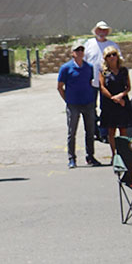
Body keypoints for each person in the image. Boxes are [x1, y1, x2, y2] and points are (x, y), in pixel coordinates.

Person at [57, 42, 101, 170]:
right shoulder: (66, 68)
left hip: (88, 103)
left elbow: (91, 82)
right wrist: (67, 100)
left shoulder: (89, 67)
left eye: (82, 50)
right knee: (72, 132)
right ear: (72, 53)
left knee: (90, 131)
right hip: (73, 105)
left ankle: (90, 156)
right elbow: (60, 87)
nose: (80, 52)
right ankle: (71, 158)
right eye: (77, 50)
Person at [98, 46, 132, 162]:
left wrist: (120, 96)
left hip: (122, 102)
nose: (112, 57)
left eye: (113, 54)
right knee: (111, 130)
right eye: (108, 56)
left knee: (123, 129)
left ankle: (124, 153)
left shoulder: (124, 70)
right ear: (105, 58)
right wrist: (113, 98)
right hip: (110, 103)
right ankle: (114, 154)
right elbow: (102, 87)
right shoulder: (103, 72)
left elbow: (128, 87)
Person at [83, 21, 111, 113]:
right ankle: (93, 126)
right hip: (91, 80)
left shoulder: (112, 45)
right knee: (91, 106)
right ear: (95, 31)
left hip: (108, 80)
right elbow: (83, 60)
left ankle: (105, 126)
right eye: (100, 30)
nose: (102, 32)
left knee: (107, 105)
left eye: (104, 30)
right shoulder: (88, 44)